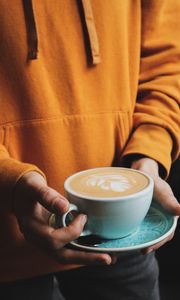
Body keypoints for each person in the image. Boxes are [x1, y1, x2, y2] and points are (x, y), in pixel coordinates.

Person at [0, 0, 179, 299]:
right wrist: (8, 180)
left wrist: (148, 154)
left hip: (125, 238)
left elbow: (167, 62)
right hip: (5, 250)